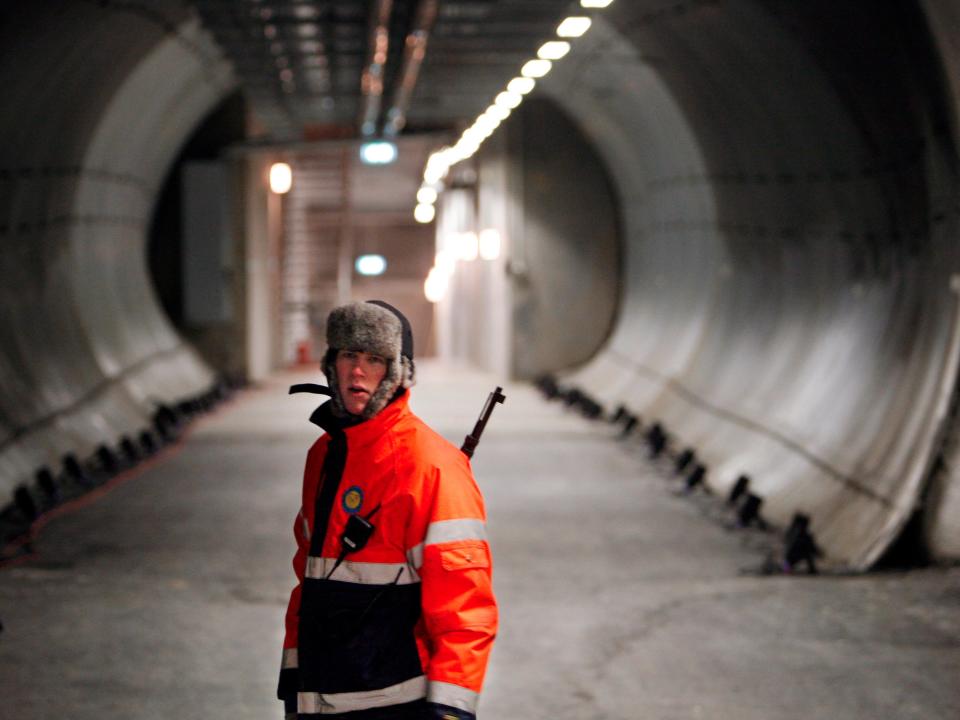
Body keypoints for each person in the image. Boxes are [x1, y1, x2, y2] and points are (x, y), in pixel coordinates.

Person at [278, 300, 498, 720]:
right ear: (331, 364)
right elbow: (308, 579)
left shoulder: (432, 467)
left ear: (397, 372)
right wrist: (293, 679)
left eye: (375, 360)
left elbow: (464, 607)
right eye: (349, 355)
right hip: (320, 698)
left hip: (396, 704)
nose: (358, 372)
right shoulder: (323, 455)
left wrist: (450, 711)